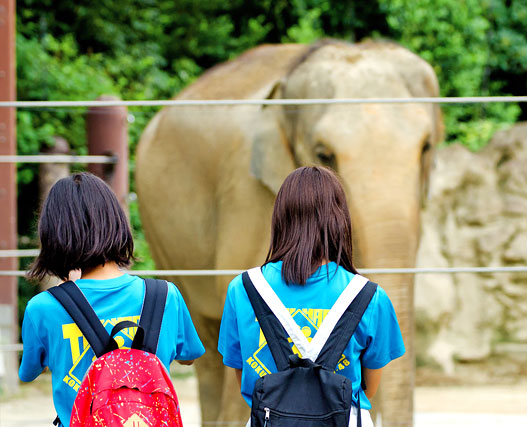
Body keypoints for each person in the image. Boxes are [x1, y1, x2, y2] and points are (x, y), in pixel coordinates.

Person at [218, 166, 405, 426]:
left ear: (280, 218)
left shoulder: (242, 289)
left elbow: (244, 376)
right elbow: (368, 387)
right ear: (339, 220)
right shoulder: (370, 297)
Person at [19, 172, 205, 427]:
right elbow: (187, 356)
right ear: (116, 223)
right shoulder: (165, 296)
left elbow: (29, 372)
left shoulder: (43, 308)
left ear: (54, 234)